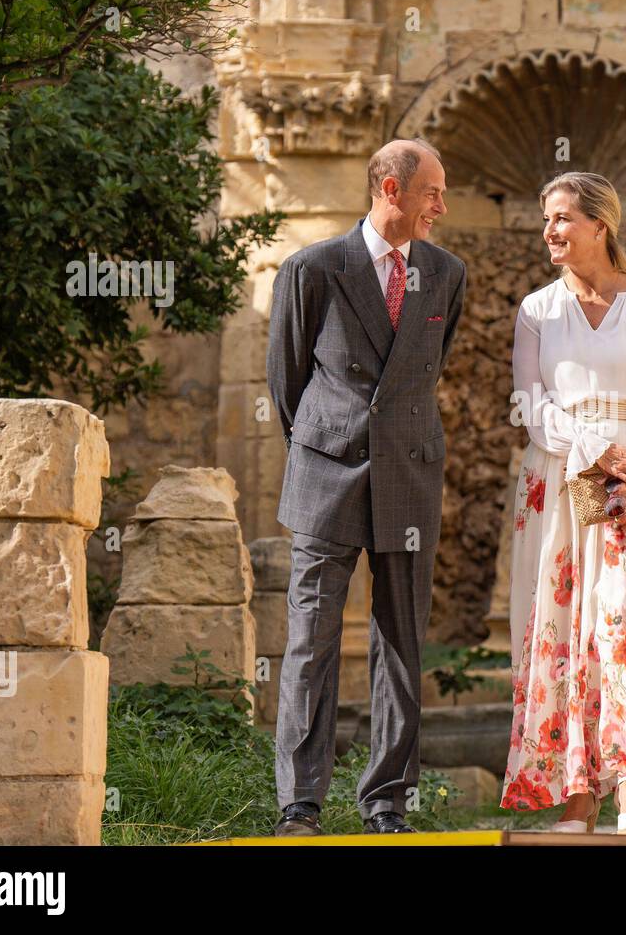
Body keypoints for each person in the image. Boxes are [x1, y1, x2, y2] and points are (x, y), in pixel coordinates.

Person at [265, 138, 465, 835]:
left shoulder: (447, 274)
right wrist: (328, 443)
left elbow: (424, 372)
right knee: (311, 642)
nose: (441, 206)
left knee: (402, 644)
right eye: (432, 192)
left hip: (409, 476)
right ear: (391, 188)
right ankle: (300, 805)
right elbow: (286, 383)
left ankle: (387, 802)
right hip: (325, 475)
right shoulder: (312, 268)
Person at [499, 171, 626, 834]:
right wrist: (597, 452)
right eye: (547, 219)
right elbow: (531, 403)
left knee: (624, 623)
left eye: (562, 218)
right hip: (558, 470)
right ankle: (576, 796)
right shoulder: (537, 310)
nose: (550, 231)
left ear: (599, 225)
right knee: (560, 625)